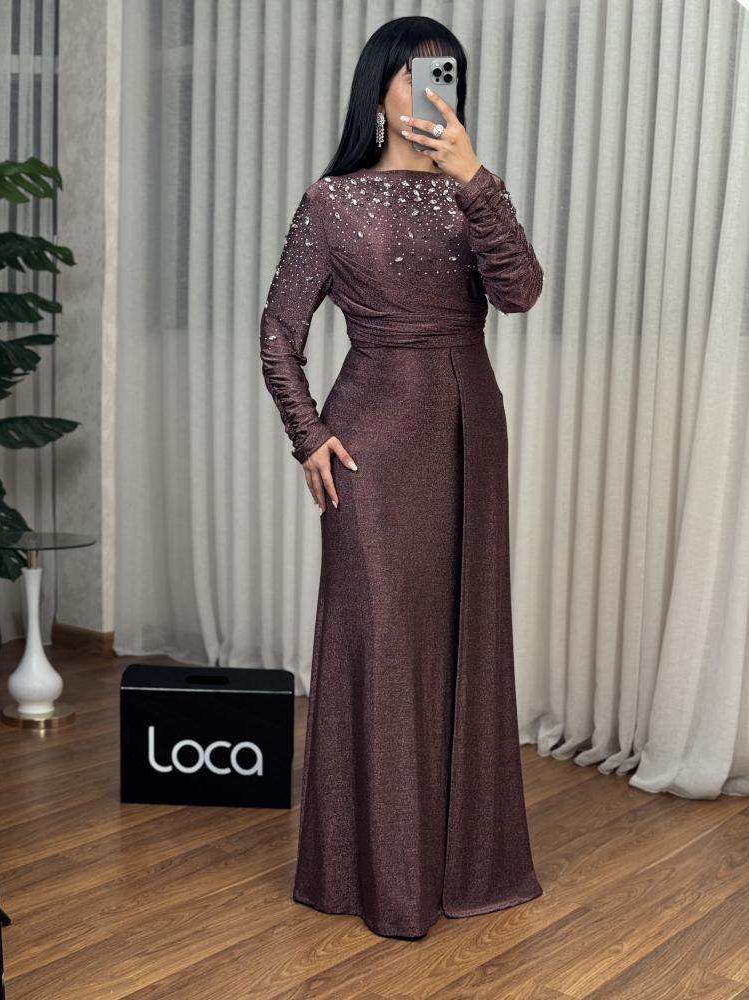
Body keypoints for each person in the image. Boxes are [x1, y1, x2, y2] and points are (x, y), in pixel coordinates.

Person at [260, 15, 544, 940]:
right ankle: (376, 872)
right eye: (415, 72)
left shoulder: (474, 192)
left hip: (470, 433)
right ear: (378, 88)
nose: (431, 87)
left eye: (445, 73)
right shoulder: (332, 200)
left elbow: (520, 292)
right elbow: (279, 333)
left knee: (466, 634)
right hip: (374, 443)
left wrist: (474, 176)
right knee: (382, 642)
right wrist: (308, 435)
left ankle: (461, 861)